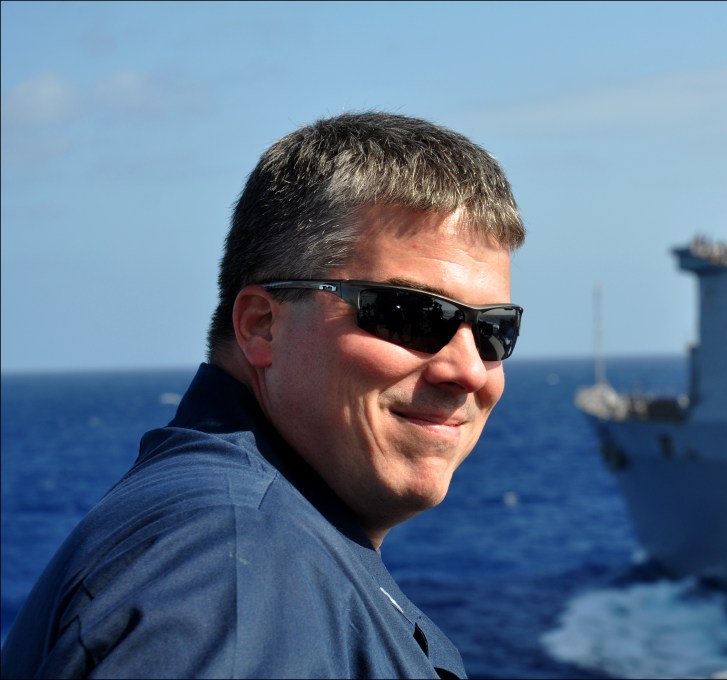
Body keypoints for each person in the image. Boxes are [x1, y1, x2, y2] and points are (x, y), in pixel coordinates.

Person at [0, 112, 526, 679]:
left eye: (494, 330)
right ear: (260, 326)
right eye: (410, 314)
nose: (469, 371)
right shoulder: (234, 569)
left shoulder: (238, 546)